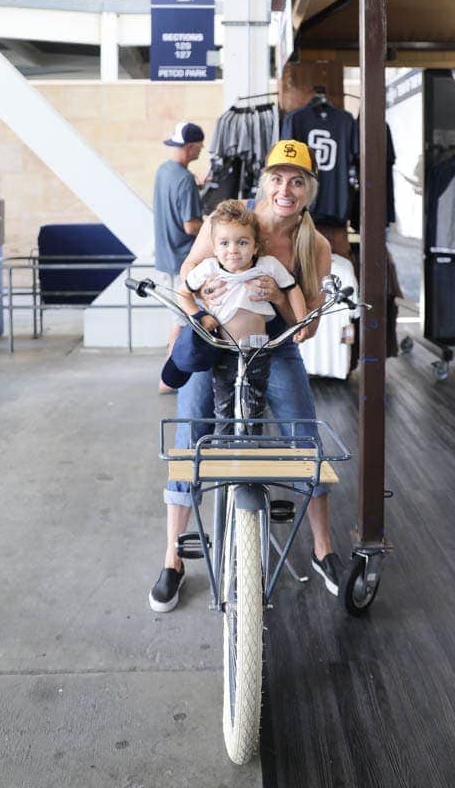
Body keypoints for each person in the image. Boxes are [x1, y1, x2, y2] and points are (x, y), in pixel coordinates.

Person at [149, 139, 342, 614]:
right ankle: (173, 557)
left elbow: (308, 325)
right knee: (189, 435)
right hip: (214, 343)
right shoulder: (227, 222)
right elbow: (186, 275)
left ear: (309, 191)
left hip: (271, 348)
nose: (286, 188)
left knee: (304, 435)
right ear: (264, 183)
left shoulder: (313, 246)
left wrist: (278, 297)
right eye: (277, 178)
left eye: (297, 181)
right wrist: (202, 307)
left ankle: (323, 549)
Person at [161, 199, 309, 427]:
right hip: (222, 347)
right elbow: (183, 293)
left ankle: (250, 445)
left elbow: (293, 289)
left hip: (258, 347)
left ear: (255, 246)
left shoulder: (267, 265)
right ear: (215, 246)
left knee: (254, 405)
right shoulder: (209, 268)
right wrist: (200, 317)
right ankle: (224, 448)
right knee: (223, 404)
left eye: (242, 243)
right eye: (224, 243)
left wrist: (302, 322)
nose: (233, 250)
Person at [153, 122, 205, 393]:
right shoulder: (185, 179)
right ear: (190, 147)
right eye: (199, 147)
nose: (201, 151)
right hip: (181, 260)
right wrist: (213, 226)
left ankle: (170, 377)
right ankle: (168, 380)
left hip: (164, 256)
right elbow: (190, 226)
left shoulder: (164, 171)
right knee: (182, 322)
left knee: (177, 318)